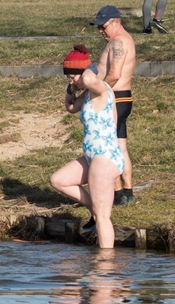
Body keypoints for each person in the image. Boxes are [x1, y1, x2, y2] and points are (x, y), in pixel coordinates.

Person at [50, 45, 124, 249]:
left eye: (73, 77)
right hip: (92, 156)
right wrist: (70, 89)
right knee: (58, 180)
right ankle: (94, 205)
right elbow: (71, 107)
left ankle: (105, 264)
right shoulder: (88, 95)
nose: (71, 81)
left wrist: (87, 68)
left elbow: (90, 79)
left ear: (85, 72)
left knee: (102, 217)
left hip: (105, 157)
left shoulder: (100, 89)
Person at [91, 6, 137, 206]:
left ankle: (118, 195)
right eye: (98, 27)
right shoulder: (125, 39)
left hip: (114, 99)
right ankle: (129, 192)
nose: (101, 30)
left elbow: (115, 74)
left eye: (103, 26)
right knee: (121, 147)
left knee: (109, 148)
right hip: (123, 98)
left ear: (116, 22)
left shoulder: (118, 42)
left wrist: (97, 89)